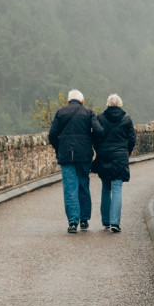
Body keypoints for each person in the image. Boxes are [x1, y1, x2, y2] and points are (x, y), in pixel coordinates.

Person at [47, 90, 99, 235]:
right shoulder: (88, 113)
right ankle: (84, 219)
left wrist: (59, 147)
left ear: (68, 101)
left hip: (66, 155)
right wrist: (91, 142)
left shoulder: (60, 112)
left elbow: (52, 134)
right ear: (82, 101)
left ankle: (72, 222)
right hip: (84, 155)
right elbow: (99, 130)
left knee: (70, 188)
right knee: (83, 185)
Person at [92, 94, 137, 233]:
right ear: (120, 104)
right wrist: (125, 152)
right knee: (117, 188)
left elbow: (95, 137)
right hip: (120, 156)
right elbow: (132, 139)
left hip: (104, 156)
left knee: (106, 187)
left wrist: (99, 150)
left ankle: (105, 221)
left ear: (108, 104)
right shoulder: (126, 119)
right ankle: (115, 222)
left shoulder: (99, 118)